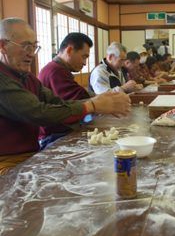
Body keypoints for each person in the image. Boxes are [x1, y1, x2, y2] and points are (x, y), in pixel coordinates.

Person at [0, 18, 131, 174]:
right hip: (7, 162)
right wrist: (93, 105)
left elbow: (58, 102)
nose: (32, 54)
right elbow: (38, 112)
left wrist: (98, 103)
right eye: (26, 46)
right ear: (3, 46)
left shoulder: (28, 78)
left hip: (30, 154)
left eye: (35, 47)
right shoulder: (6, 78)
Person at [38, 32, 95, 145]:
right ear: (69, 50)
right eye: (84, 56)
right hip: (53, 136)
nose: (85, 63)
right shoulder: (56, 71)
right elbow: (79, 99)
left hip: (57, 132)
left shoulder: (56, 68)